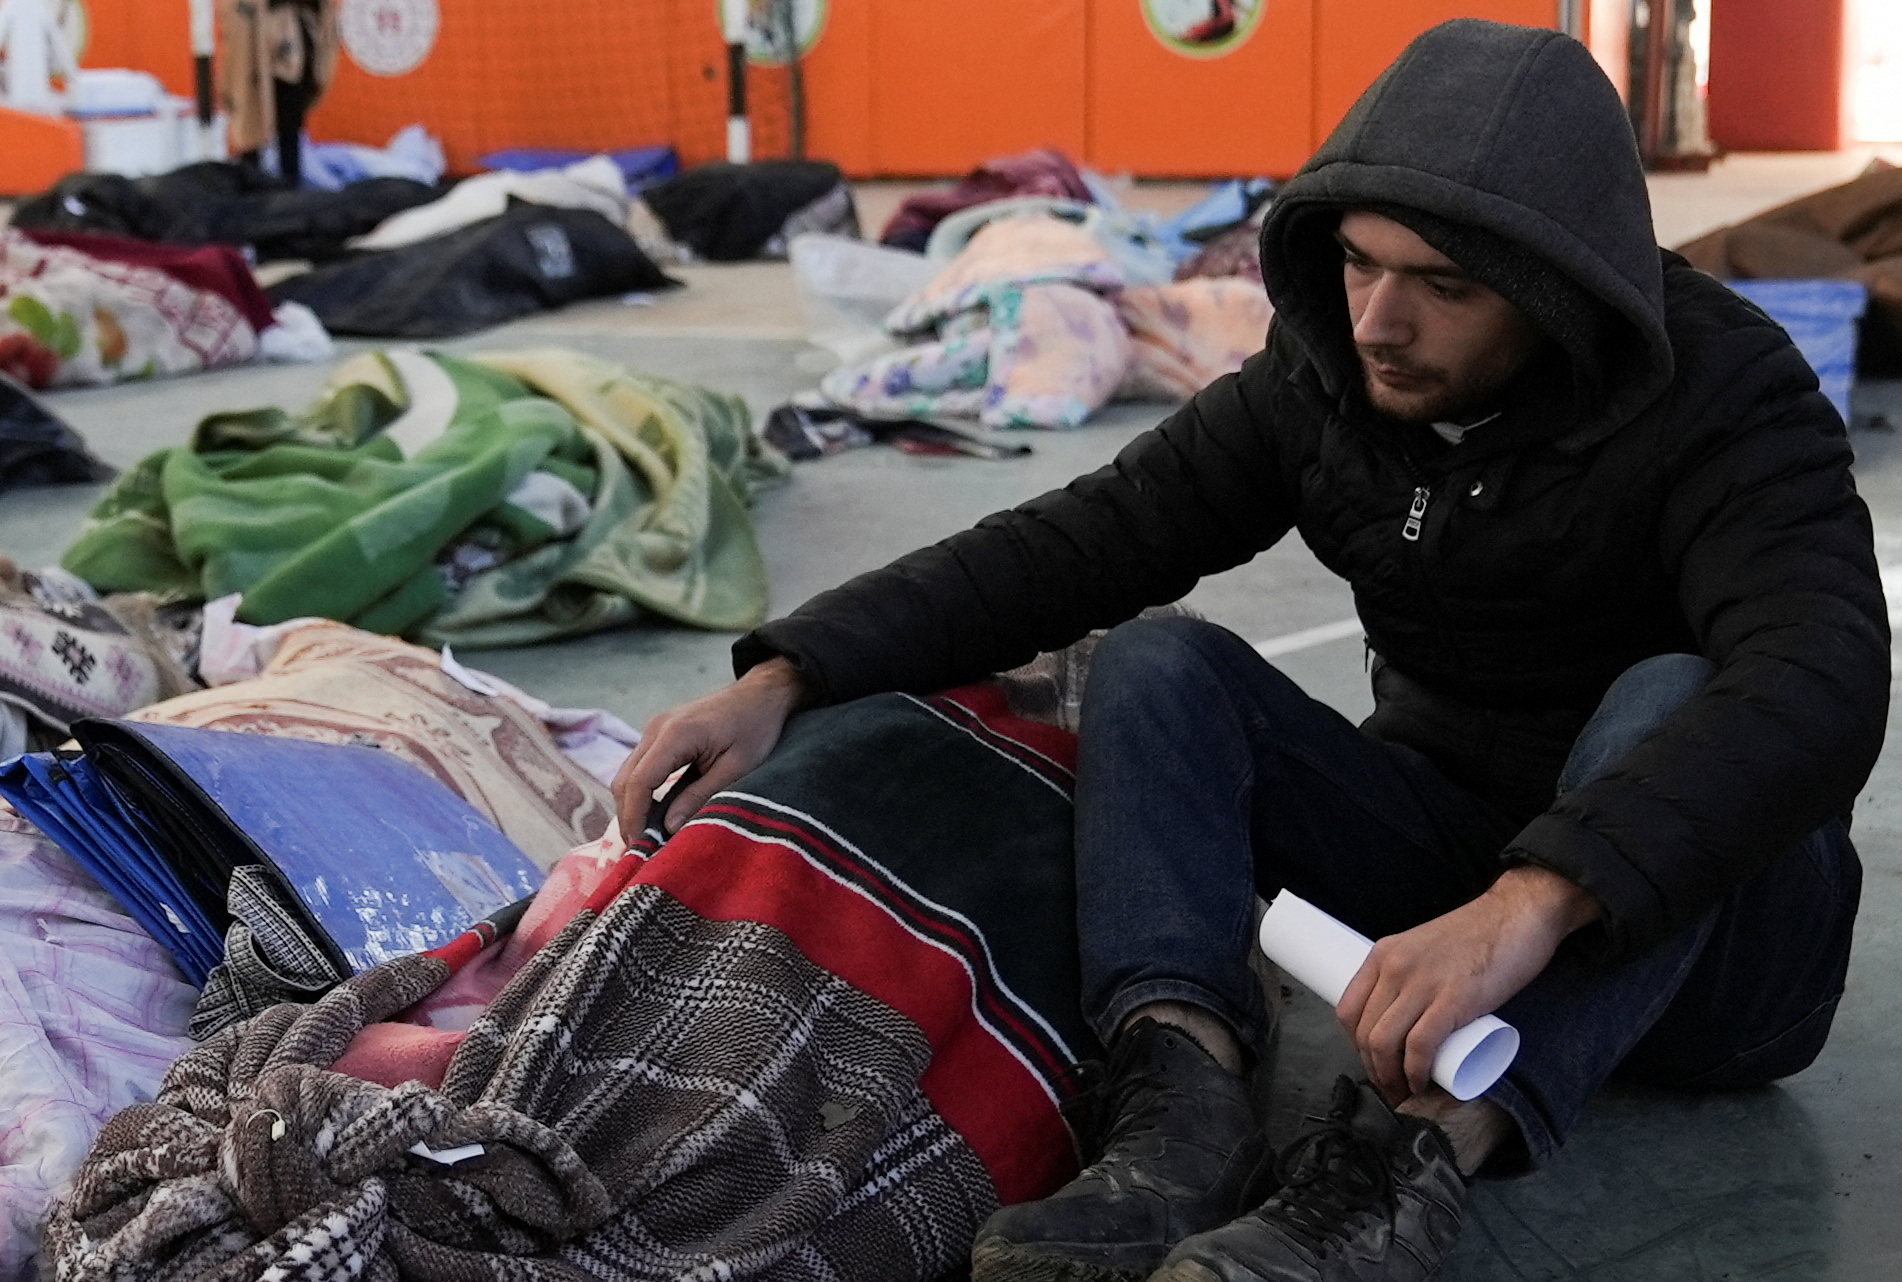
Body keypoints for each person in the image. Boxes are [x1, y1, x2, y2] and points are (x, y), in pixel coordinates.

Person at [614, 19, 1887, 1282]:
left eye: (1445, 285)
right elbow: (1084, 538)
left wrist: (1534, 905)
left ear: (1559, 295)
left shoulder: (1725, 393)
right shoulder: (1333, 376)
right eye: (1359, 263)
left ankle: (1412, 1165)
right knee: (1158, 662)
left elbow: (1820, 677)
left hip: (1710, 959)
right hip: (1443, 879)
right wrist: (793, 670)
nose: (1382, 319)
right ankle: (1181, 1117)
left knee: (1676, 692)